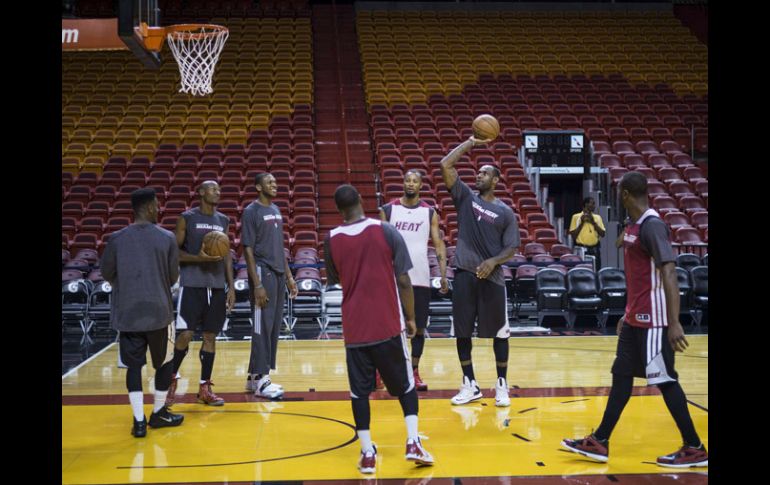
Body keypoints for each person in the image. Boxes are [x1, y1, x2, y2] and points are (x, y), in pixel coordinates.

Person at [561, 171, 708, 468]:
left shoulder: (652, 227)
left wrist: (674, 321)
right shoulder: (635, 225)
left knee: (665, 380)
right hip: (634, 319)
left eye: (619, 192)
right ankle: (600, 441)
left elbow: (668, 271)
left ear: (626, 194)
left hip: (654, 320)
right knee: (622, 377)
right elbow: (638, 274)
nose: (616, 195)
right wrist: (627, 313)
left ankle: (694, 447)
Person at [325, 184, 434, 474]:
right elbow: (404, 280)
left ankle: (367, 453)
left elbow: (335, 277)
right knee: (405, 386)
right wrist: (411, 318)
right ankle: (412, 442)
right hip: (387, 323)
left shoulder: (331, 238)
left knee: (359, 393)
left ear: (338, 209)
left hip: (355, 329)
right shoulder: (386, 231)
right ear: (362, 200)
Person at [440, 136, 520, 407]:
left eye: (485, 173)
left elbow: (512, 248)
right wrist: (471, 143)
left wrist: (493, 262)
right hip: (463, 274)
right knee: (462, 332)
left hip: (493, 279)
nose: (479, 175)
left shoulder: (505, 212)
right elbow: (446, 164)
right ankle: (469, 383)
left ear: (496, 180)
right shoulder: (465, 199)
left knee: (500, 333)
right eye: (478, 172)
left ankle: (501, 384)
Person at [100, 188, 183, 437]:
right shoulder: (166, 237)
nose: (159, 209)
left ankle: (138, 422)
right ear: (148, 208)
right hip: (159, 311)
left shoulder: (116, 238)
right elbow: (173, 277)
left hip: (128, 313)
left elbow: (106, 273)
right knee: (165, 364)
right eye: (157, 205)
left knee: (133, 367)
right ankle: (158, 414)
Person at [165, 181, 235, 407]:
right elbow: (174, 252)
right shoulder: (187, 218)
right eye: (213, 188)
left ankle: (204, 388)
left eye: (219, 188)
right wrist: (199, 259)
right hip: (192, 284)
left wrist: (231, 286)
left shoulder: (223, 220)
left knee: (210, 336)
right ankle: (171, 381)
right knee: (185, 334)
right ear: (201, 192)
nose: (218, 191)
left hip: (216, 286)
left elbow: (226, 255)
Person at [379, 169, 448, 391]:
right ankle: (383, 372)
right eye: (407, 180)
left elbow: (438, 244)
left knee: (418, 328)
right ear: (403, 183)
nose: (410, 184)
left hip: (420, 278)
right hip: (392, 279)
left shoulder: (429, 213)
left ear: (420, 186)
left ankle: (414, 372)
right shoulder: (388, 210)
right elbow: (380, 246)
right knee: (388, 328)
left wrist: (443, 273)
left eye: (415, 181)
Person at [240, 173, 298, 399]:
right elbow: (247, 249)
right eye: (269, 182)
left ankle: (254, 377)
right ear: (257, 187)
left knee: (272, 327)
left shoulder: (275, 210)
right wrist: (257, 284)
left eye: (275, 181)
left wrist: (289, 277)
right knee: (261, 327)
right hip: (262, 273)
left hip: (278, 274)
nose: (275, 184)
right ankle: (263, 380)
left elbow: (280, 246)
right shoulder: (251, 212)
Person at [569, 197, 606, 269]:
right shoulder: (576, 217)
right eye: (592, 203)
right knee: (581, 271)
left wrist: (593, 222)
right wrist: (581, 223)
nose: (594, 206)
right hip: (581, 250)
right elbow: (573, 236)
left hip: (595, 250)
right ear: (586, 204)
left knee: (596, 271)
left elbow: (602, 234)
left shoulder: (597, 217)